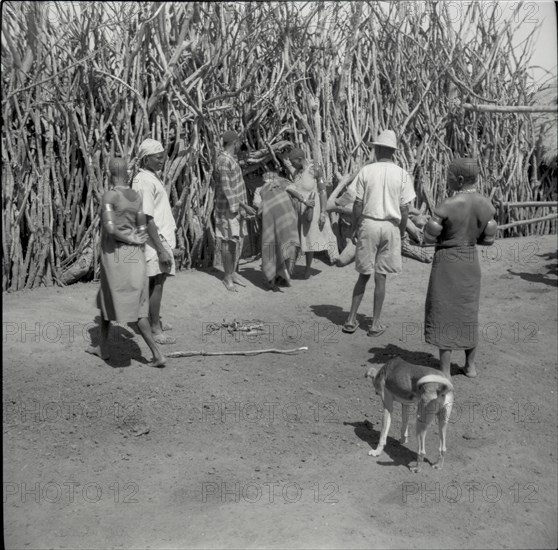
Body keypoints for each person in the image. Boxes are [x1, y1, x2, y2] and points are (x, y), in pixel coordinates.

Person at [87, 157, 166, 367]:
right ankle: (102, 347)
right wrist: (135, 239)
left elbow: (110, 229)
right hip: (134, 255)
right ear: (128, 173)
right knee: (110, 297)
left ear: (109, 173)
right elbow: (142, 228)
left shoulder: (110, 196)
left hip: (116, 255)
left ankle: (157, 353)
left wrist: (128, 238)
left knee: (130, 306)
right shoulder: (136, 196)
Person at [423, 157, 497, 378]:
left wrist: (426, 227)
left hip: (447, 261)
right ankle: (470, 366)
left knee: (445, 311)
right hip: (469, 261)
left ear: (461, 179)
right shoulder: (486, 205)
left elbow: (428, 237)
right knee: (468, 311)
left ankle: (444, 370)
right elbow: (488, 239)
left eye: (450, 177)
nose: (447, 180)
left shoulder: (447, 205)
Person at [343, 130, 416, 336]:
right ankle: (375, 324)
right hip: (390, 226)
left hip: (369, 223)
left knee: (363, 274)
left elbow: (357, 203)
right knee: (381, 277)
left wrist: (355, 227)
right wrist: (401, 233)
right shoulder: (402, 174)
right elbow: (404, 208)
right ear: (392, 151)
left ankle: (350, 319)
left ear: (378, 149)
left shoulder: (367, 171)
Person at [132, 138, 177, 345]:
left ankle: (153, 319)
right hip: (153, 240)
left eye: (163, 156)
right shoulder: (144, 182)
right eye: (158, 157)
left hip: (158, 238)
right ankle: (155, 328)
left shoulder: (150, 177)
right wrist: (160, 248)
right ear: (146, 159)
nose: (162, 160)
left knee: (157, 281)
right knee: (156, 282)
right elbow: (147, 217)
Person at [213, 130, 256, 292]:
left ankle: (231, 273)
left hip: (234, 208)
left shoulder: (230, 159)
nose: (240, 146)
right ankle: (226, 277)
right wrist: (244, 206)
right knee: (227, 241)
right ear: (235, 142)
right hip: (227, 209)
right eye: (239, 143)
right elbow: (226, 188)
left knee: (233, 242)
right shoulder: (224, 160)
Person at [287, 147, 338, 279]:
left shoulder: (315, 170)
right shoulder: (296, 174)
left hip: (312, 211)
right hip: (298, 210)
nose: (291, 164)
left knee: (309, 239)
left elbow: (322, 192)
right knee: (297, 240)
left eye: (293, 162)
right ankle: (290, 268)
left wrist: (322, 213)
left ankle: (308, 269)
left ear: (300, 159)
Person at [252, 170, 299, 290]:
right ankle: (284, 275)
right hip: (288, 219)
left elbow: (257, 205)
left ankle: (271, 279)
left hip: (270, 221)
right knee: (286, 246)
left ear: (263, 179)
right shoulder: (285, 185)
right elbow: (296, 195)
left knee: (270, 247)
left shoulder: (259, 190)